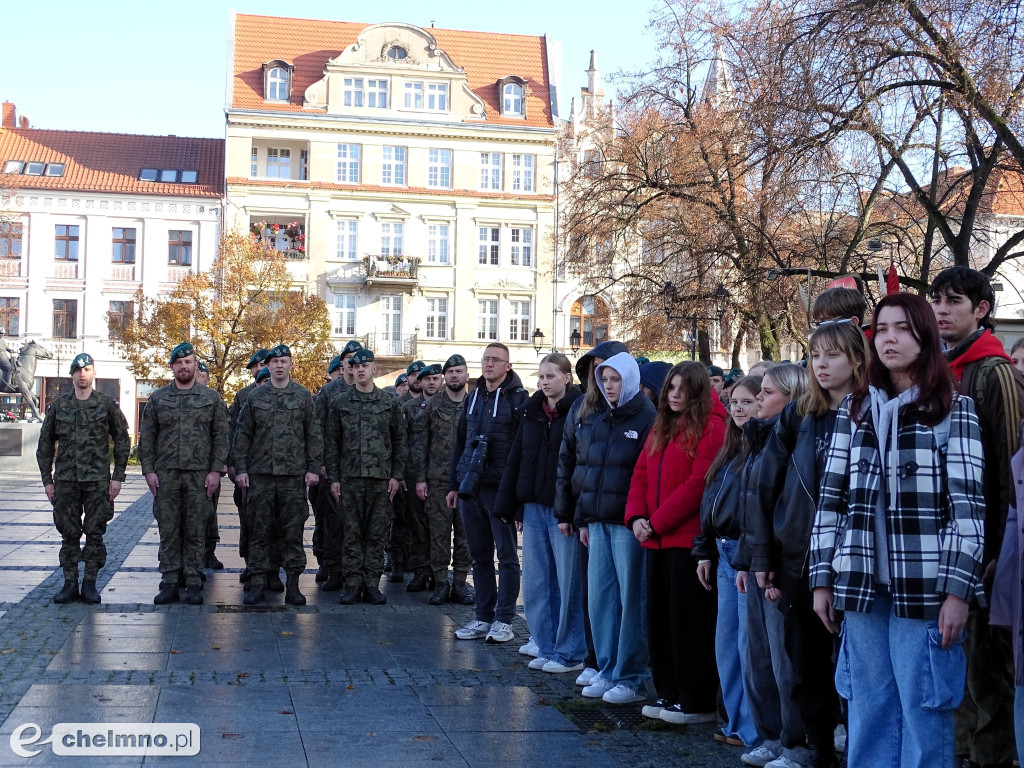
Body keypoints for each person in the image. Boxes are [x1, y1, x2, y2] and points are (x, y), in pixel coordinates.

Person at [811, 292, 985, 768]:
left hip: (923, 588)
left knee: (925, 707)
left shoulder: (953, 409)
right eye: (882, 328)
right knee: (867, 707)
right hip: (863, 585)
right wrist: (822, 578)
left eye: (903, 329)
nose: (889, 339)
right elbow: (831, 503)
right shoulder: (856, 410)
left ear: (924, 336)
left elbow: (968, 511)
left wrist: (957, 592)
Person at [753, 323, 870, 768]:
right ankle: (819, 748)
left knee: (859, 664)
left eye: (832, 355)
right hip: (800, 557)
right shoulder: (799, 415)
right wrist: (763, 555)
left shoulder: (874, 412)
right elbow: (765, 489)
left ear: (856, 360)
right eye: (814, 355)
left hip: (858, 557)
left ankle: (859, 744)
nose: (820, 364)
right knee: (807, 662)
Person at [930, 266, 1024, 768]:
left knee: (988, 665)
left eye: (953, 302)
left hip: (986, 544)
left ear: (981, 311)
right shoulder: (941, 367)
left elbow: (1011, 470)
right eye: (937, 300)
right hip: (949, 539)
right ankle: (961, 752)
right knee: (957, 660)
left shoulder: (994, 371)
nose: (941, 310)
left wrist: (995, 551)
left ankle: (991, 758)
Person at [626, 362, 727, 722]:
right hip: (655, 539)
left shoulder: (712, 427)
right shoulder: (662, 426)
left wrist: (655, 522)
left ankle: (695, 697)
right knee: (660, 621)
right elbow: (640, 475)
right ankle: (668, 691)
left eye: (683, 389)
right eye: (671, 388)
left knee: (689, 623)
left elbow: (698, 485)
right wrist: (637, 517)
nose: (674, 395)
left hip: (685, 541)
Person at [555, 351, 657, 704]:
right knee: (601, 600)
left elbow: (646, 476)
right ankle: (608, 667)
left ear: (629, 380)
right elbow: (586, 472)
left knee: (630, 602)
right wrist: (582, 518)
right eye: (604, 380)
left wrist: (640, 516)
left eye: (615, 379)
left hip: (627, 525)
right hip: (596, 522)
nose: (609, 386)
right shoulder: (599, 417)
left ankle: (632, 675)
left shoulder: (646, 418)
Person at [733, 362, 808, 768]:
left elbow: (785, 512)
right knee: (756, 657)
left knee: (783, 662)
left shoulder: (794, 439)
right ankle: (770, 736)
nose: (758, 400)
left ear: (792, 398)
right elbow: (752, 510)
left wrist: (771, 565)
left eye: (766, 393)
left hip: (780, 566)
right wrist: (745, 561)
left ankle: (795, 744)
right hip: (757, 561)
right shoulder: (756, 436)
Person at [495, 353, 585, 672]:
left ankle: (571, 651)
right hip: (533, 506)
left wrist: (573, 511)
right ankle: (545, 645)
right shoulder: (532, 411)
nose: (545, 382)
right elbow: (518, 459)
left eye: (551, 376)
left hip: (562, 510)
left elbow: (578, 464)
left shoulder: (578, 410)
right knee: (536, 581)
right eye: (541, 377)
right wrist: (513, 505)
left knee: (567, 582)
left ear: (566, 378)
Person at [694, 375, 763, 749]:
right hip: (721, 551)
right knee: (727, 645)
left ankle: (754, 726)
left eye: (748, 401)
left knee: (747, 645)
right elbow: (711, 503)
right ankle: (735, 720)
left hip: (745, 553)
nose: (738, 408)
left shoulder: (763, 447)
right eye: (734, 401)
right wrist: (703, 548)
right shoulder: (729, 448)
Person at [447, 343, 529, 644]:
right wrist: (453, 485)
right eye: (486, 359)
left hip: (500, 490)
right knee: (479, 556)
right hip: (472, 488)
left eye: (496, 360)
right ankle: (483, 616)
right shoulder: (474, 397)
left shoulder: (519, 399)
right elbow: (460, 443)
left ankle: (504, 619)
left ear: (508, 366)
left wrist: (517, 499)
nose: (489, 364)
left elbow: (523, 450)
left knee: (507, 556)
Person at [139, 343, 230, 606]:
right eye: (178, 363)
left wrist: (215, 470)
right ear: (172, 367)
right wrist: (148, 470)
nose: (183, 367)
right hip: (166, 476)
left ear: (194, 364)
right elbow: (148, 438)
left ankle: (193, 580)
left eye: (188, 362)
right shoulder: (158, 399)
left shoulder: (211, 398)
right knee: (168, 529)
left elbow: (220, 437)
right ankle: (169, 581)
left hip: (199, 476)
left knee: (195, 529)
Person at [37, 353, 130, 605]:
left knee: (95, 533)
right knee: (68, 534)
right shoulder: (59, 406)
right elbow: (45, 444)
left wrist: (118, 477)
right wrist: (47, 480)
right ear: (72, 375)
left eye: (87, 369)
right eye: (77, 371)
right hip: (66, 481)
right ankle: (69, 583)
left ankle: (89, 583)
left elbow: (122, 438)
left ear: (93, 373)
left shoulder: (106, 404)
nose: (82, 375)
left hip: (98, 481)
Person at [233, 344, 322, 606]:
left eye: (284, 361)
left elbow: (313, 435)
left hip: (293, 478)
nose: (280, 365)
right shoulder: (255, 398)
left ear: (291, 365)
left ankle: (293, 585)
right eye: (275, 362)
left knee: (293, 531)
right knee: (259, 531)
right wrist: (240, 469)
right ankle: (258, 583)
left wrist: (313, 468)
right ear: (267, 366)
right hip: (260, 476)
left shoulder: (303, 396)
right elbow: (242, 435)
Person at [324, 348, 405, 605]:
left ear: (374, 370)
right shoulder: (340, 403)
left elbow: (400, 441)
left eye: (365, 366)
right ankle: (352, 584)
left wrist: (396, 476)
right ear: (351, 369)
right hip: (350, 479)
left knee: (376, 534)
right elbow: (332, 443)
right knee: (351, 533)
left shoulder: (389, 402)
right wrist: (334, 478)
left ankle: (371, 583)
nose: (360, 370)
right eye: (356, 366)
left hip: (380, 480)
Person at [410, 354, 474, 605]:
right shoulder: (432, 406)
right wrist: (421, 479)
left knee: (465, 535)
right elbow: (420, 445)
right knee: (437, 534)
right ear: (445, 377)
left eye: (459, 371)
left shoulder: (475, 403)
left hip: (468, 481)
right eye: (451, 372)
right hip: (438, 481)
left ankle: (460, 582)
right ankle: (440, 583)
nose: (455, 375)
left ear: (467, 375)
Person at [313, 339, 362, 590]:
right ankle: (332, 568)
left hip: (361, 472)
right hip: (333, 471)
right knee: (332, 523)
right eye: (348, 359)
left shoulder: (370, 391)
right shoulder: (329, 392)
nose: (354, 364)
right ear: (342, 364)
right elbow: (316, 429)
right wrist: (320, 465)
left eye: (358, 358)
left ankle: (356, 572)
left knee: (358, 525)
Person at [227, 348, 270, 584]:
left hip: (272, 472)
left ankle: (271, 569)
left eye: (264, 364)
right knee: (248, 520)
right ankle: (250, 564)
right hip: (248, 471)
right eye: (256, 366)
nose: (260, 368)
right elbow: (233, 431)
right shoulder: (244, 396)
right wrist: (233, 465)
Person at [404, 364, 443, 592]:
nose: (431, 383)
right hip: (413, 475)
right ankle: (420, 572)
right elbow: (402, 440)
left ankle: (439, 575)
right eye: (427, 379)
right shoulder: (409, 408)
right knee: (417, 527)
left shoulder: (448, 405)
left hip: (439, 476)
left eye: (435, 379)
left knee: (439, 529)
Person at [194, 360, 228, 570]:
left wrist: (221, 464)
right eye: (196, 373)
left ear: (207, 378)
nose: (198, 377)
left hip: (209, 469)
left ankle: (209, 552)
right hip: (186, 470)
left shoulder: (215, 400)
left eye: (201, 375)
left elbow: (223, 434)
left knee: (209, 512)